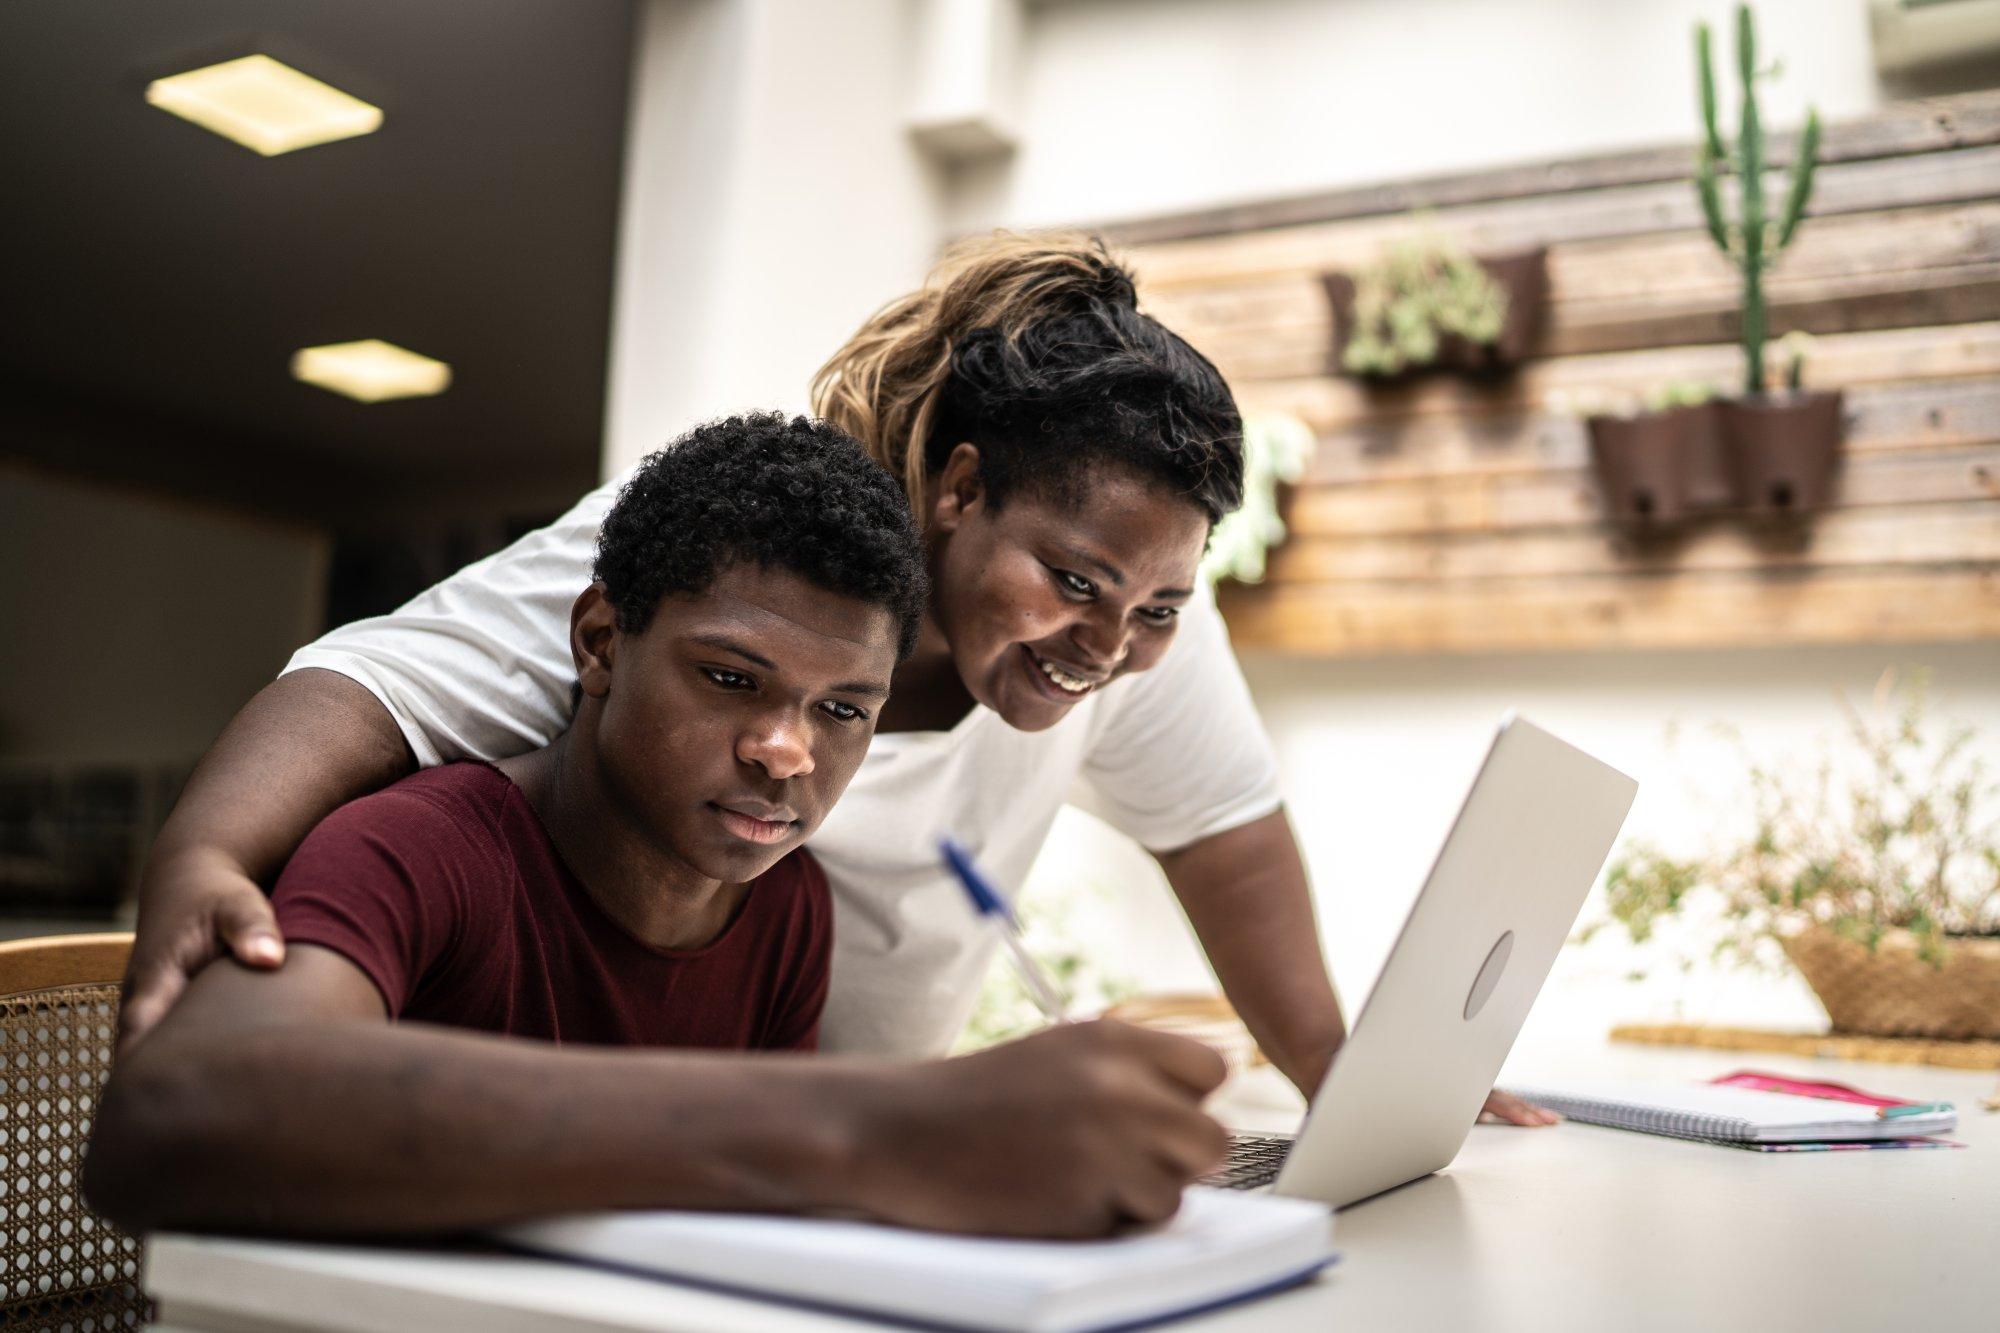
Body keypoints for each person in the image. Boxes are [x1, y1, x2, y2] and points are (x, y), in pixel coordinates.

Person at [119, 230, 1550, 1127]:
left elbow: (1224, 833)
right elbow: (380, 682)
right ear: (961, 490)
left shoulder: (790, 909)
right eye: (1072, 584)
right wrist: (201, 849)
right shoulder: (734, 553)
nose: (1109, 647)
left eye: (1158, 606)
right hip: (757, 1141)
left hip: (796, 1138)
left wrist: (1348, 1088)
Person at [85, 415, 1230, 1239]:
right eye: (731, 679)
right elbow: (173, 1114)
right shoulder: (417, 849)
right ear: (597, 644)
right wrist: (868, 1126)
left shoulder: (785, 910)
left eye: (843, 711)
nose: (787, 750)